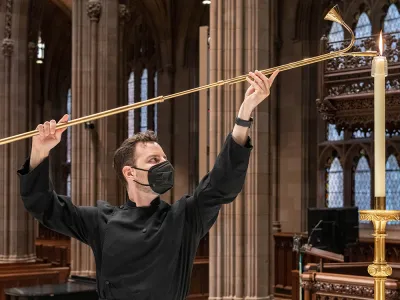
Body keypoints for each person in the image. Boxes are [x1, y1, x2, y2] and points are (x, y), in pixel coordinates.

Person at [17, 69, 279, 300]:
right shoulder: (101, 220)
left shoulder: (184, 217)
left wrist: (245, 114)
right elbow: (43, 207)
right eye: (154, 159)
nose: (164, 164)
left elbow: (221, 184)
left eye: (164, 158)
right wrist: (39, 151)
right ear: (130, 172)